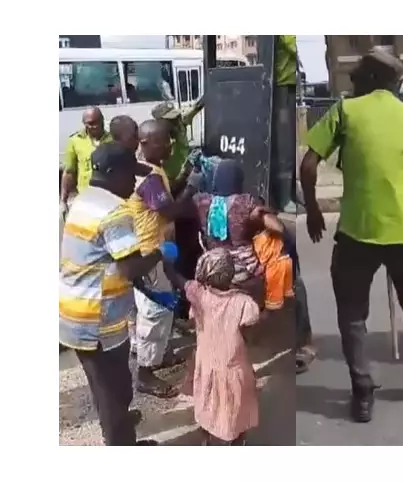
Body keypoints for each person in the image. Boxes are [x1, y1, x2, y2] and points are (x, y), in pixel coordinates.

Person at [300, 48, 403, 423]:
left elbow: (307, 164)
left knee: (353, 316)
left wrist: (314, 210)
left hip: (356, 232)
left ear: (367, 79)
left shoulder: (345, 111)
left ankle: (363, 392)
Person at [59, 142, 171, 445]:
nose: (133, 183)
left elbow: (109, 261)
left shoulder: (84, 199)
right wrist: (161, 252)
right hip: (96, 320)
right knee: (111, 388)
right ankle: (121, 442)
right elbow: (130, 268)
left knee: (110, 384)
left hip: (77, 309)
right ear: (111, 172)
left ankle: (118, 420)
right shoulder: (113, 210)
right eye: (129, 176)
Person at [129, 119, 202, 398]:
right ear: (144, 143)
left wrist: (184, 174)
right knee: (155, 312)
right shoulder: (147, 178)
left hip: (151, 249)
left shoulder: (149, 168)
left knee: (152, 308)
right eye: (163, 140)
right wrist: (193, 188)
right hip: (150, 253)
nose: (170, 144)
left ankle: (155, 355)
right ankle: (145, 374)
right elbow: (170, 210)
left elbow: (165, 193)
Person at [163, 249, 261, 446]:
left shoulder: (199, 296)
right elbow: (249, 334)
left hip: (206, 362)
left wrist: (165, 263)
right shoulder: (243, 303)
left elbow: (178, 279)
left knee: (208, 403)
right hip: (233, 366)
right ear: (232, 273)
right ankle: (234, 440)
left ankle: (207, 439)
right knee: (234, 409)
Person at [193, 159, 292, 308]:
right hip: (242, 270)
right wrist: (263, 212)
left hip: (213, 267)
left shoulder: (202, 202)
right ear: (238, 181)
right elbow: (279, 228)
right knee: (273, 242)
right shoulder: (244, 203)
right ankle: (273, 304)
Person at [61, 106, 113, 220]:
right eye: (89, 123)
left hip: (110, 200)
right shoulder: (75, 141)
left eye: (97, 122)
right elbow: (69, 172)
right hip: (86, 201)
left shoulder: (112, 140)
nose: (94, 126)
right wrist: (63, 201)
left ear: (102, 120)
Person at [272, 35, 299, 212]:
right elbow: (293, 45)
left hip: (289, 84)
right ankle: (284, 198)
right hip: (283, 85)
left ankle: (292, 192)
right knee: (284, 146)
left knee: (290, 144)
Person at [151, 99, 206, 181]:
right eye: (170, 119)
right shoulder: (155, 143)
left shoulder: (180, 122)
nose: (175, 120)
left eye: (176, 116)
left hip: (187, 164)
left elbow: (195, 108)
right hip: (172, 180)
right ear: (159, 121)